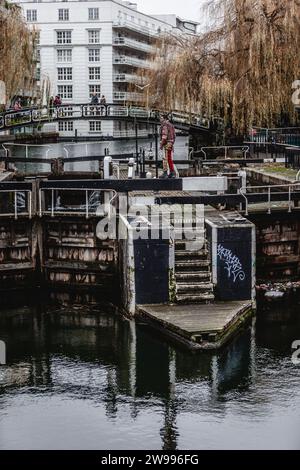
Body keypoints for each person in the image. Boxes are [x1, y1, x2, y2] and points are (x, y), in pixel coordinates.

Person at [159, 113, 176, 178]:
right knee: (169, 158)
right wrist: (172, 142)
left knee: (165, 158)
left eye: (161, 118)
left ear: (164, 118)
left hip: (166, 143)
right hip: (170, 143)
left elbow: (164, 136)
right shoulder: (171, 125)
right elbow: (174, 135)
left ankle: (165, 173)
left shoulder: (164, 125)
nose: (160, 119)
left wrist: (161, 144)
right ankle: (172, 172)